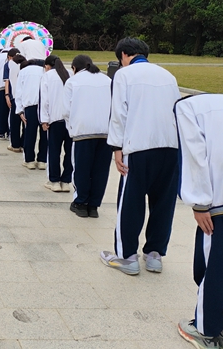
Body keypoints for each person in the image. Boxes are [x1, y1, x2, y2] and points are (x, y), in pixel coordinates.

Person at [101, 37, 181, 276]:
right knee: (163, 202)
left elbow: (119, 113)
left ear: (124, 55)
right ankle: (155, 254)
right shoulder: (168, 75)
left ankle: (127, 256)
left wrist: (116, 148)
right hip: (170, 146)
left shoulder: (124, 76)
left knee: (131, 202)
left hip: (138, 147)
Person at [175, 94, 223, 349]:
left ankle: (206, 329)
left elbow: (194, 154)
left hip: (220, 199)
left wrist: (199, 203)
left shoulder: (186, 108)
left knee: (215, 265)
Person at [63, 55, 112, 218]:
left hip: (83, 131)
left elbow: (66, 110)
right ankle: (94, 205)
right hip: (106, 132)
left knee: (82, 169)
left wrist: (71, 129)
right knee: (101, 170)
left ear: (74, 68)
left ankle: (81, 202)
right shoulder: (107, 80)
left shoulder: (73, 82)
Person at [39, 55, 72, 193]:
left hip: (55, 119)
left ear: (47, 66)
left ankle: (54, 181)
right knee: (69, 152)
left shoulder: (47, 76)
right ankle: (66, 181)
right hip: (70, 120)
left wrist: (44, 119)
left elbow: (44, 100)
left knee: (54, 151)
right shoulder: (69, 74)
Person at [15, 58, 47, 170]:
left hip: (30, 106)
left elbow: (18, 92)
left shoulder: (24, 72)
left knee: (30, 133)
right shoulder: (45, 70)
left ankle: (29, 160)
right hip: (45, 105)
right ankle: (42, 160)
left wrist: (20, 111)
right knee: (44, 134)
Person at [5, 49, 23, 150]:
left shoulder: (8, 64)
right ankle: (23, 144)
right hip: (26, 98)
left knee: (14, 121)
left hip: (15, 96)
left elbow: (7, 81)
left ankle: (15, 144)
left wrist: (7, 95)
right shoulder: (26, 64)